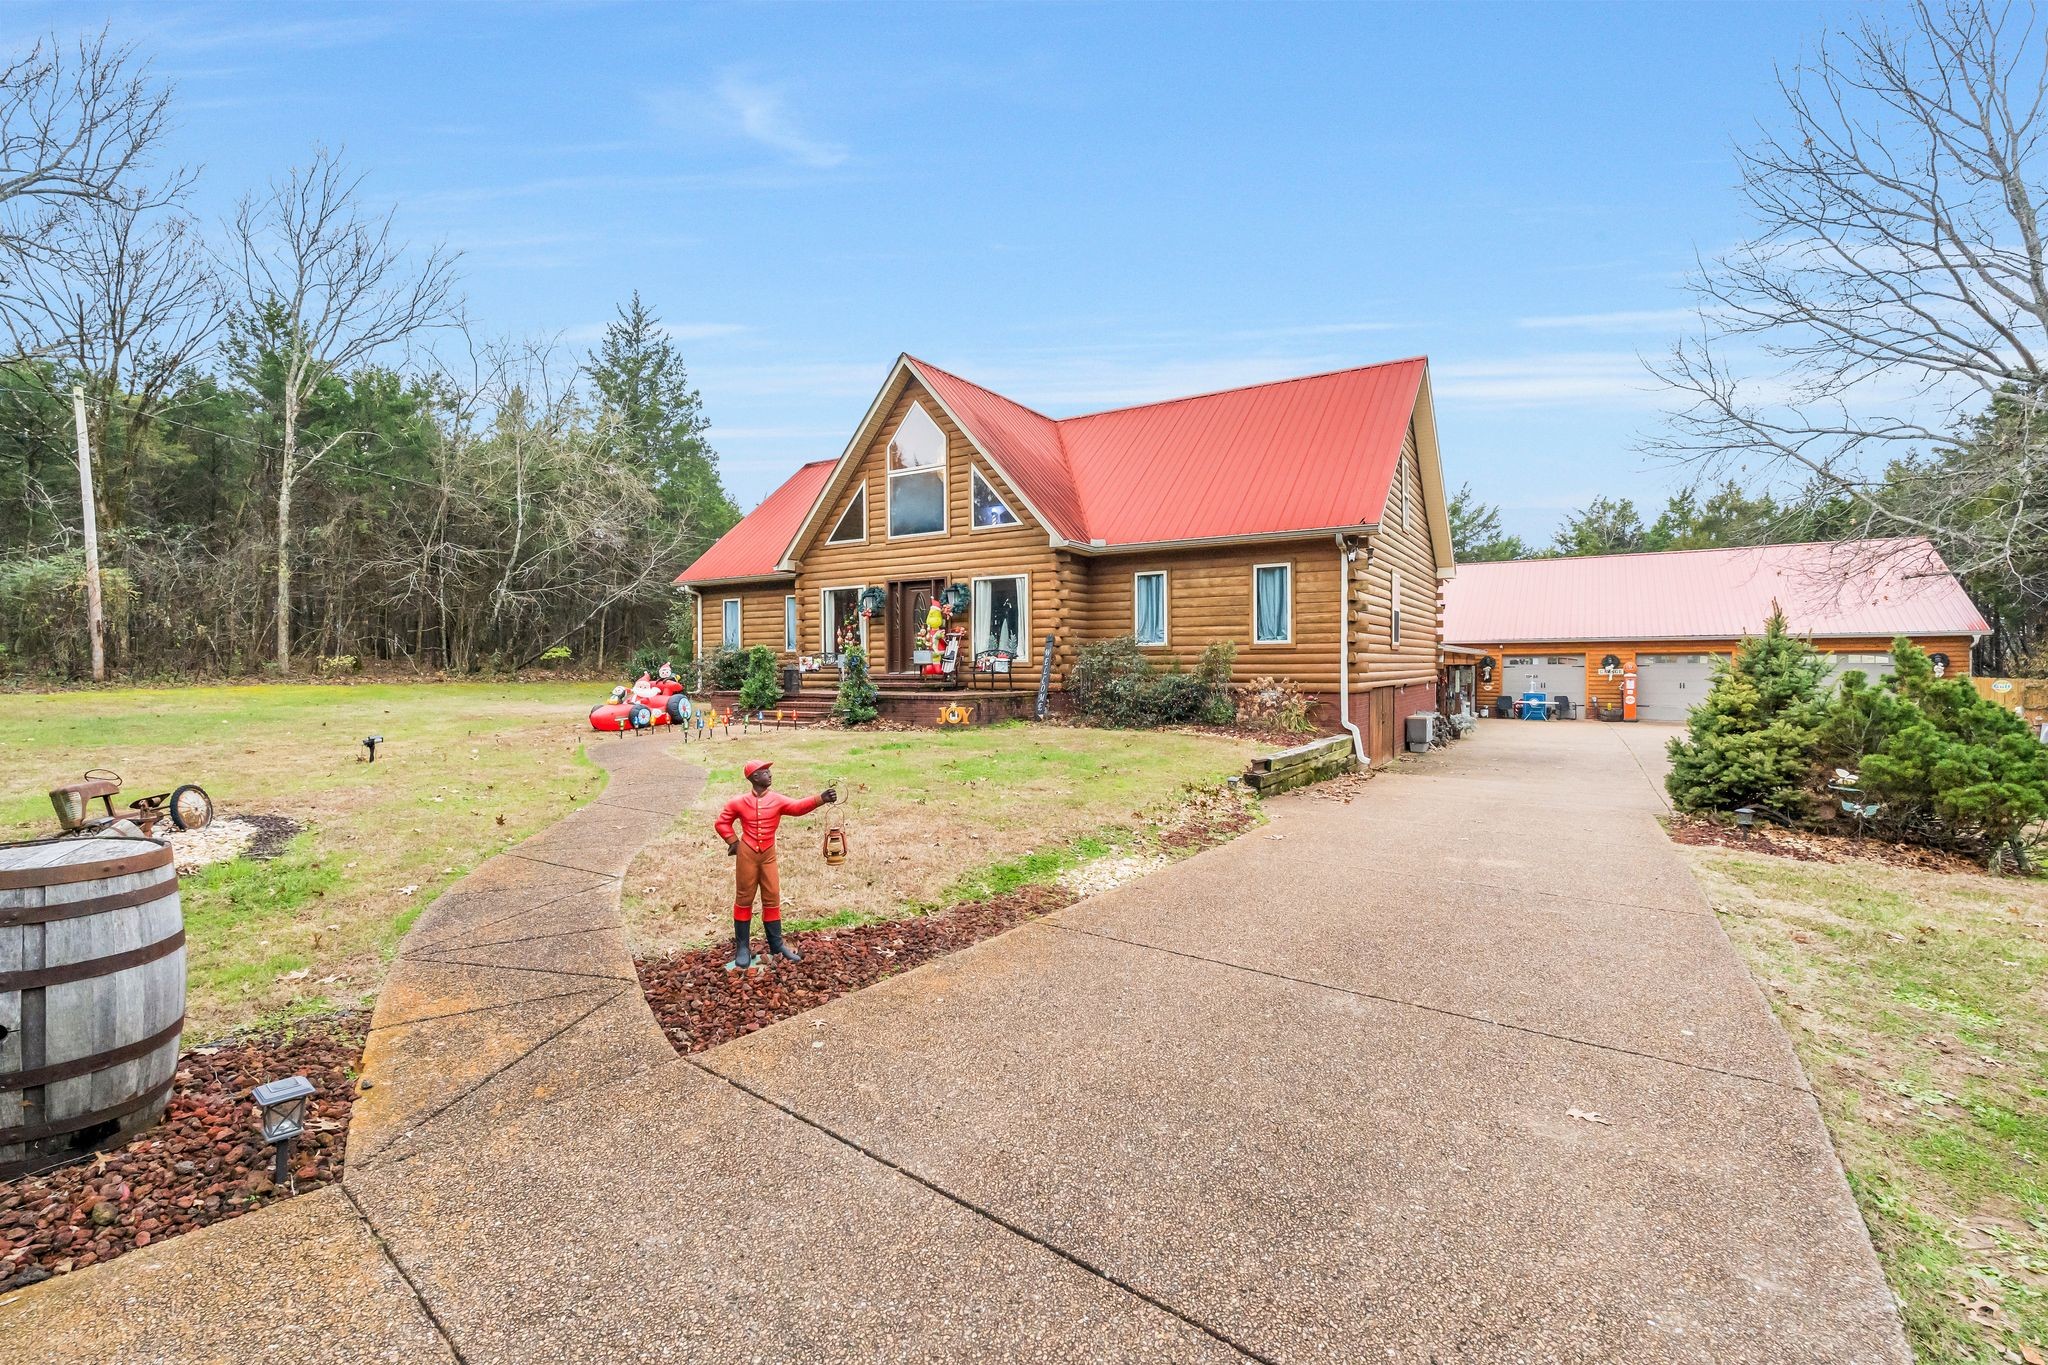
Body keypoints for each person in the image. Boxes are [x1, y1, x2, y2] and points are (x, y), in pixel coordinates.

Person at [713, 761, 836, 970]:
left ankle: (776, 944)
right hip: (747, 854)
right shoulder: (738, 802)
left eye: (769, 771)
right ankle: (742, 946)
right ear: (753, 777)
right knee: (744, 897)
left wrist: (820, 799)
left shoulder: (777, 799)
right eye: (764, 772)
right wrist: (733, 842)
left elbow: (796, 808)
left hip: (768, 855)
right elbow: (721, 822)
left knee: (772, 895)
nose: (769, 775)